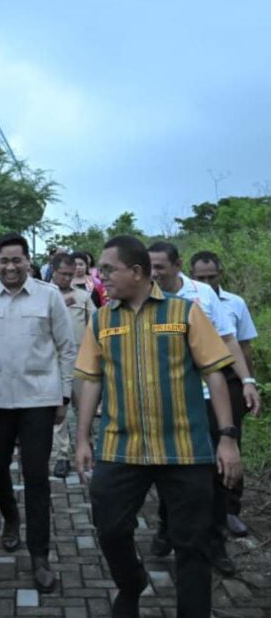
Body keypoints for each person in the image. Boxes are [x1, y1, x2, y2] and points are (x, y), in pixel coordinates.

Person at [75, 235, 241, 618]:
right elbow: (92, 379)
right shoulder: (102, 318)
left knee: (192, 544)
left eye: (109, 269)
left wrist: (227, 439)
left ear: (136, 272)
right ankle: (132, 582)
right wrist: (83, 438)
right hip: (121, 448)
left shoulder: (185, 313)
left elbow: (216, 375)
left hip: (185, 448)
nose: (102, 276)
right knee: (111, 528)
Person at [0, 232, 76, 592]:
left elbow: (66, 347)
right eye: (4, 260)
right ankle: (10, 518)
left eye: (17, 260)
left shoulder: (48, 296)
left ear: (29, 260)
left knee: (36, 478)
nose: (11, 266)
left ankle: (40, 556)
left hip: (38, 402)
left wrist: (64, 396)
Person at [148, 241, 261, 573]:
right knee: (169, 468)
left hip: (210, 395)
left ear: (178, 265)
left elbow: (228, 340)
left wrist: (247, 382)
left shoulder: (204, 295)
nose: (154, 273)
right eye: (149, 267)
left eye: (160, 267)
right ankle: (166, 526)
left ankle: (215, 543)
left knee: (214, 472)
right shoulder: (144, 297)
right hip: (168, 398)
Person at [191, 249, 259, 537]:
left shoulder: (235, 303)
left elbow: (243, 345)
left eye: (212, 275)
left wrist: (248, 382)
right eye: (201, 277)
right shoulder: (188, 301)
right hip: (199, 382)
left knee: (230, 442)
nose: (207, 280)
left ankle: (231, 509)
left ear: (221, 273)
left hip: (229, 380)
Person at [50, 251, 96, 478]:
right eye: (62, 274)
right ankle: (61, 455)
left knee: (83, 408)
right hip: (53, 363)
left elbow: (94, 327)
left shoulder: (84, 298)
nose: (66, 279)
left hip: (80, 362)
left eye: (70, 275)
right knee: (58, 413)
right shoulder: (43, 296)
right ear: (53, 271)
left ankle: (85, 446)